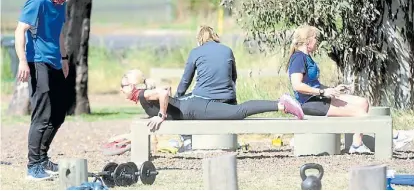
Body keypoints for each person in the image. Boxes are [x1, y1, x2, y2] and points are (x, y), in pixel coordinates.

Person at [286, 25, 414, 153]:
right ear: (308, 40)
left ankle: (357, 144)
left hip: (319, 96)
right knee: (360, 113)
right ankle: (395, 135)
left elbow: (313, 83)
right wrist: (323, 92)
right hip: (310, 103)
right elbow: (297, 86)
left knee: (363, 103)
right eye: (316, 38)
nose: (317, 42)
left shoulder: (307, 57)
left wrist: (333, 89)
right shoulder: (298, 58)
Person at [14, 0, 76, 180]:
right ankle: (33, 167)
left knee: (59, 114)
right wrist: (22, 61)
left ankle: (42, 157)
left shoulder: (60, 5)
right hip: (37, 61)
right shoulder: (38, 1)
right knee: (42, 114)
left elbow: (59, 33)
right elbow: (20, 30)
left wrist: (65, 57)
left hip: (55, 62)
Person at [120, 69, 305, 132]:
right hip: (192, 107)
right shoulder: (143, 95)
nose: (122, 89)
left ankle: (281, 104)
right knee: (236, 112)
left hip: (194, 109)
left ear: (133, 85)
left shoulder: (143, 94)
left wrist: (161, 114)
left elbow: (164, 93)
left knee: (238, 112)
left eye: (124, 85)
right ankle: (280, 104)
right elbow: (167, 89)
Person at [174, 25, 238, 105]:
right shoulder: (228, 50)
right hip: (228, 100)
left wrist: (176, 97)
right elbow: (234, 77)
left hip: (203, 100)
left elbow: (186, 80)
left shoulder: (195, 52)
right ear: (214, 36)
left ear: (199, 38)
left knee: (182, 101)